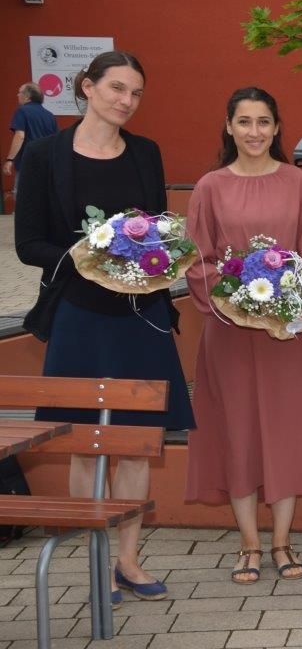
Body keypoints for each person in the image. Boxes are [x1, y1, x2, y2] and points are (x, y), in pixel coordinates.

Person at [15, 51, 194, 604]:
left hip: (140, 315)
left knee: (136, 444)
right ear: (86, 88)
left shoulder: (145, 152)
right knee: (85, 443)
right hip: (80, 314)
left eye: (136, 93)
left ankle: (127, 561)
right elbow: (28, 246)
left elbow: (157, 233)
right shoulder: (46, 155)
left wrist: (148, 257)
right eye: (116, 88)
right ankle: (94, 560)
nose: (126, 101)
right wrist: (90, 254)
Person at [184, 87, 302, 584]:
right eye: (244, 122)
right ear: (228, 126)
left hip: (285, 334)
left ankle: (282, 541)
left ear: (276, 127)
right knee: (239, 431)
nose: (254, 132)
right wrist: (236, 298)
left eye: (264, 121)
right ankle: (249, 543)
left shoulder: (298, 184)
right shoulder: (209, 186)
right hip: (228, 333)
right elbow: (198, 259)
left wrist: (282, 298)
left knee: (286, 430)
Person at [6, 82, 58, 192]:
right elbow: (56, 140)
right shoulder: (49, 115)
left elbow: (20, 135)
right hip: (46, 164)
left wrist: (10, 159)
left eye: (19, 92)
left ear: (27, 96)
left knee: (22, 197)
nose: (17, 95)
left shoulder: (22, 111)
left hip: (28, 162)